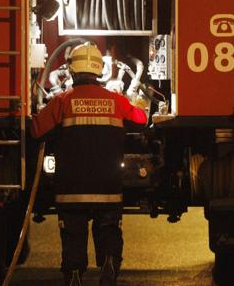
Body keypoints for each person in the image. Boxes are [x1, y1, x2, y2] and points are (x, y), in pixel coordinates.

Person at [31, 43, 147, 286]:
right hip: (108, 188)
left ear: (72, 70)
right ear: (99, 70)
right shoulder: (116, 101)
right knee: (108, 228)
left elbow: (36, 130)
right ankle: (109, 263)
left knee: (73, 233)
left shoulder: (62, 101)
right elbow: (141, 120)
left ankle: (74, 274)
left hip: (71, 189)